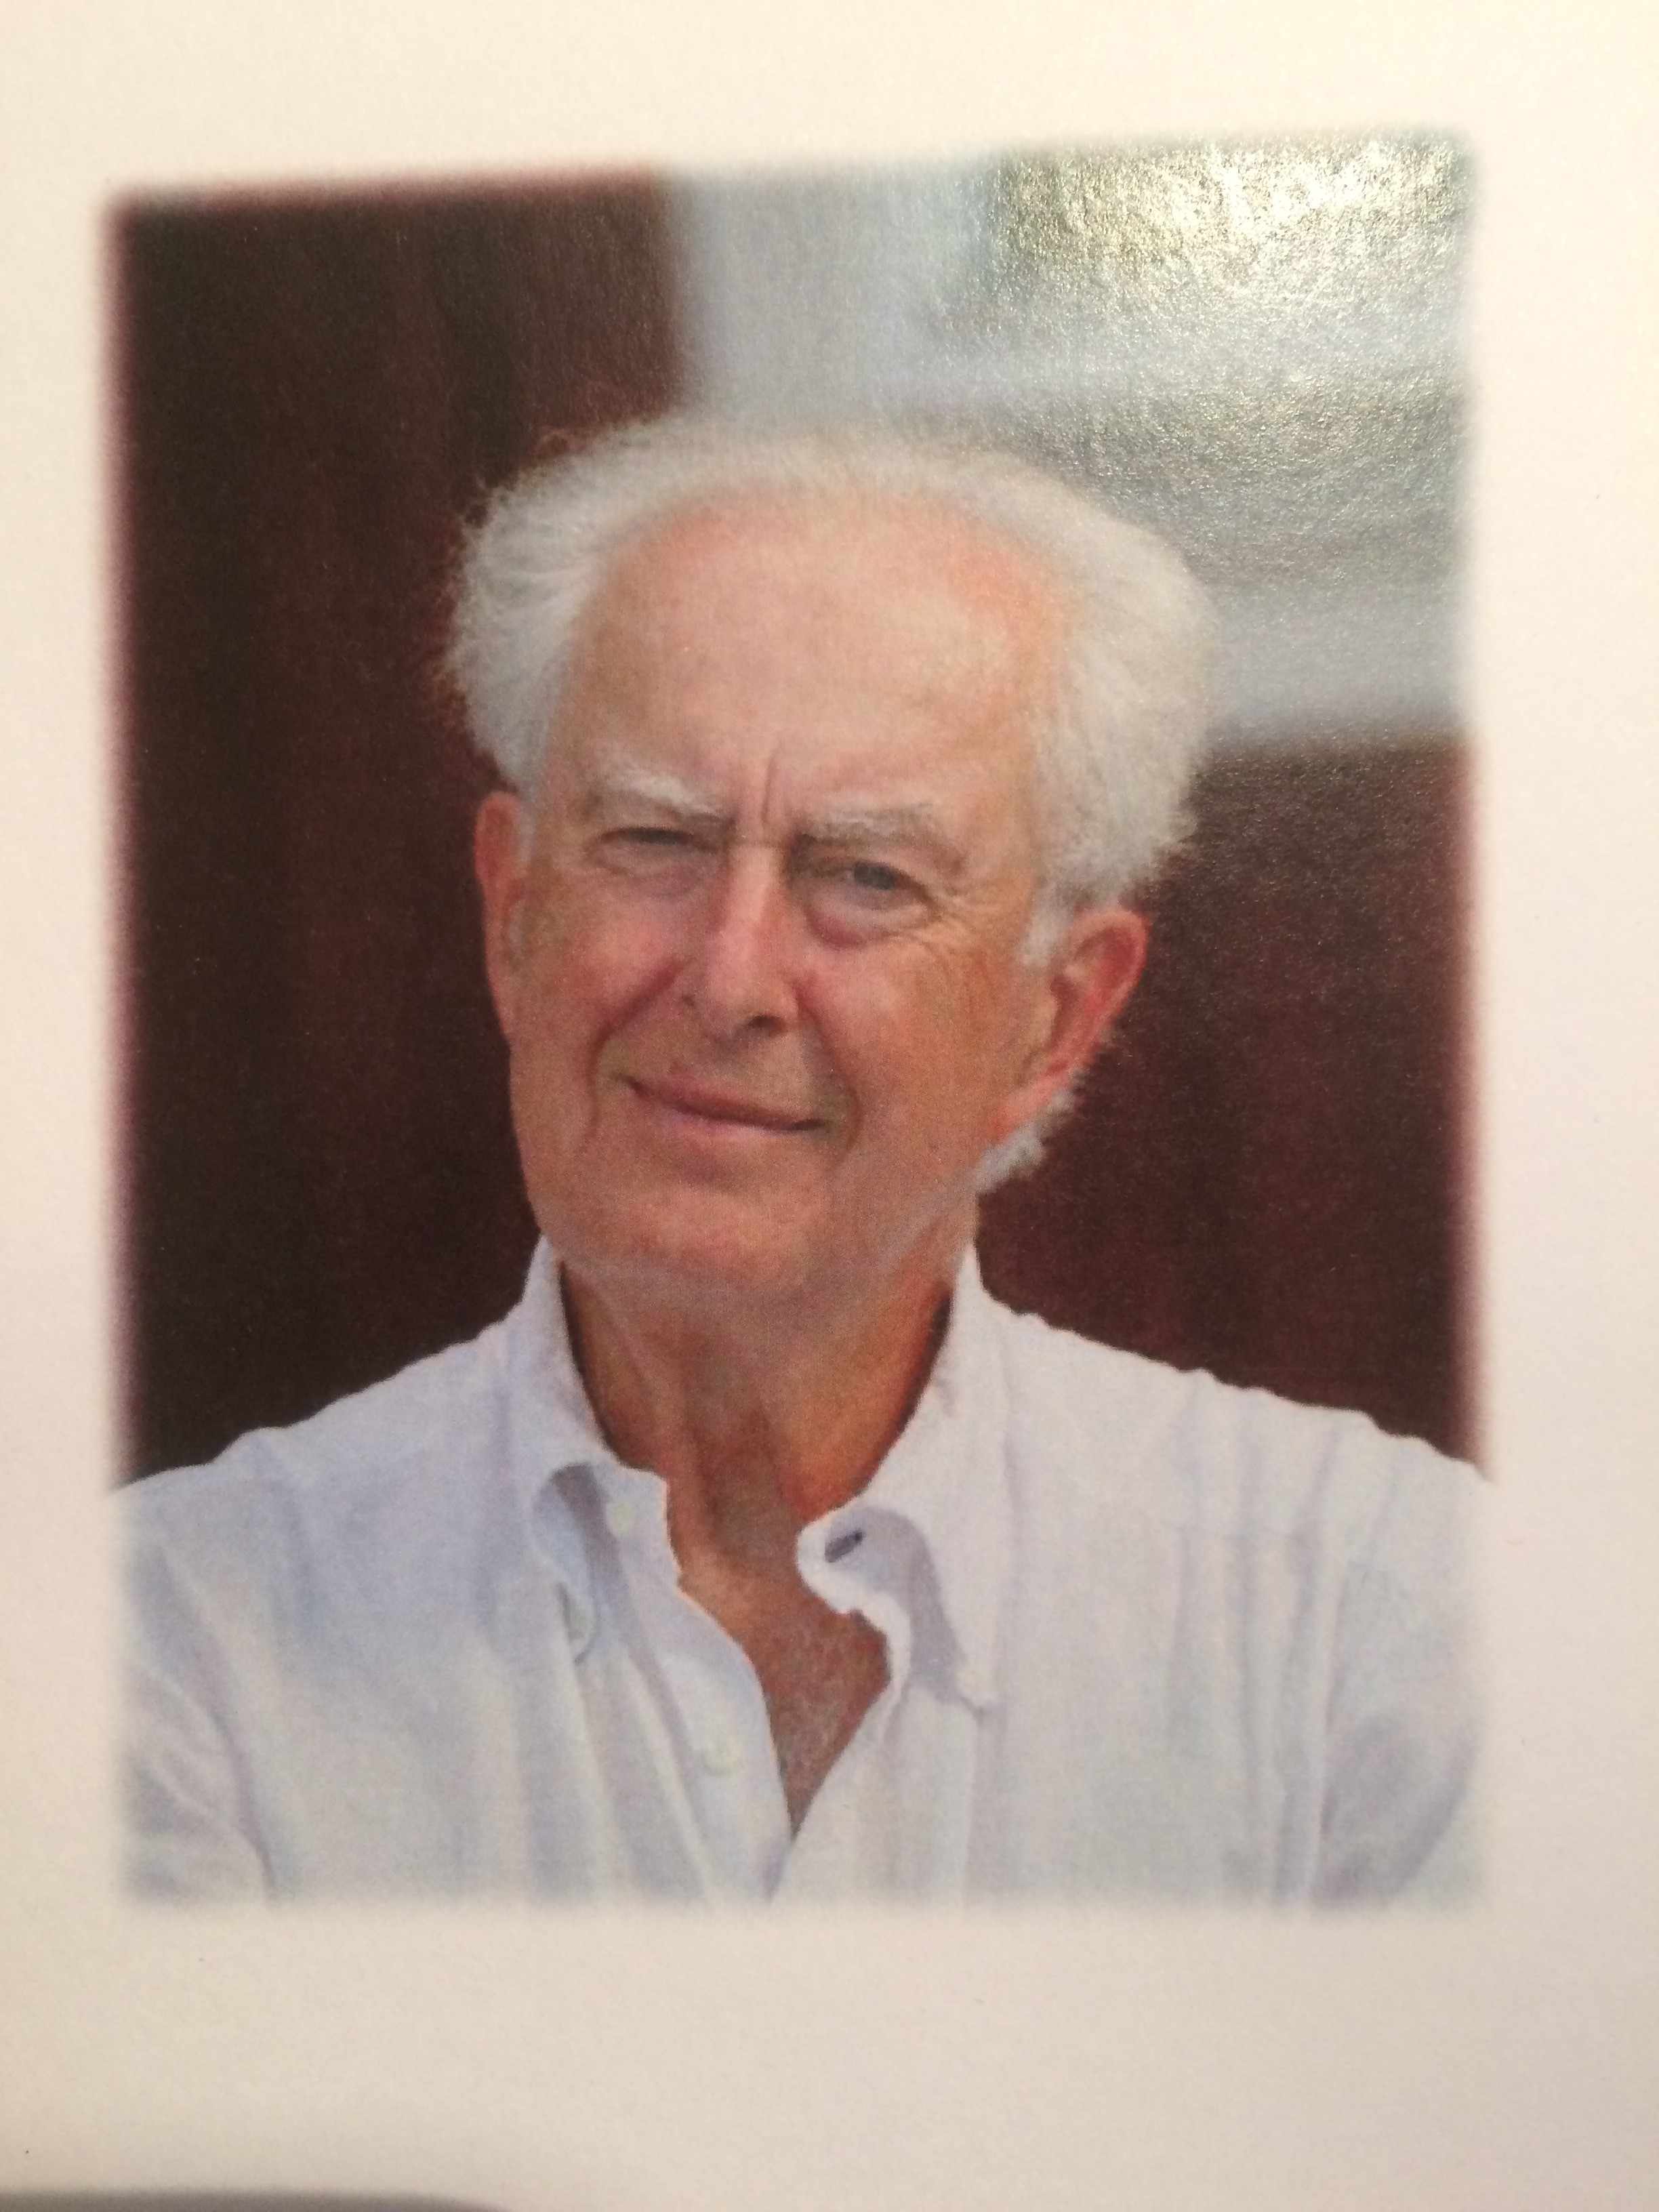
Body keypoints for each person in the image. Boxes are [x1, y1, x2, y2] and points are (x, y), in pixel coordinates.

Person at [124, 417, 1478, 1903]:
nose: (730, 981)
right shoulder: (162, 1644)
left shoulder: (1390, 1624)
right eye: (654, 840)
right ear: (515, 917)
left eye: (868, 877)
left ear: (1055, 1018)